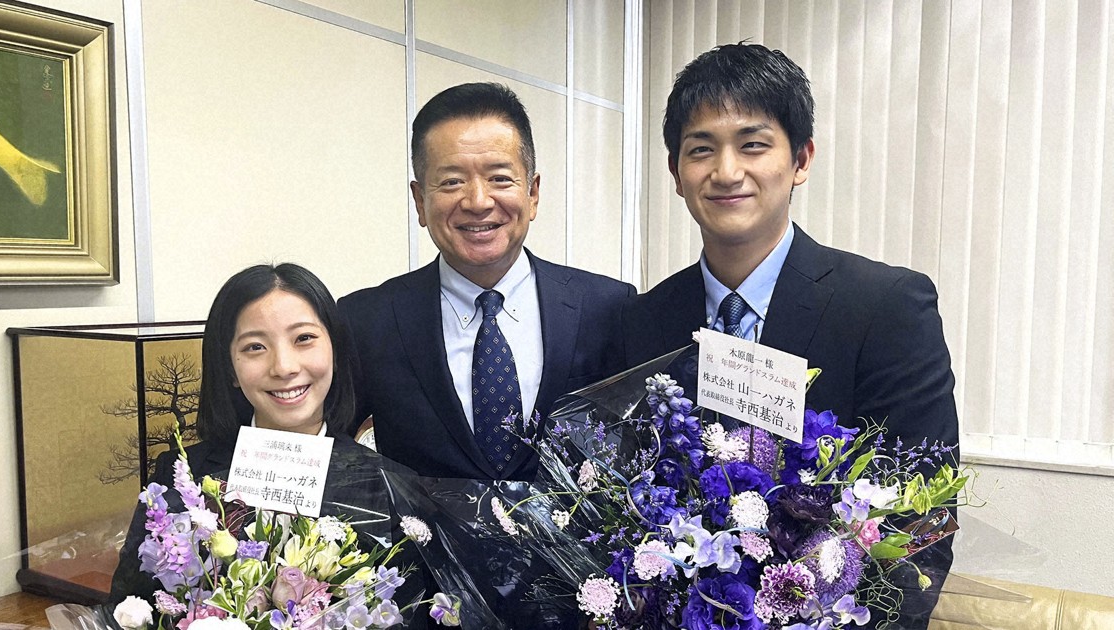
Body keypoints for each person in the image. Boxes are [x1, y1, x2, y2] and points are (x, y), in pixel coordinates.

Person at [620, 43, 959, 628]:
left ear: (801, 159)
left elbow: (922, 529)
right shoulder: (643, 320)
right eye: (701, 149)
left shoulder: (885, 307)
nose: (727, 172)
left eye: (753, 145)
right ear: (676, 173)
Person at [339, 82, 635, 482]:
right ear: (420, 201)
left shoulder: (609, 308)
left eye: (499, 178)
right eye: (451, 182)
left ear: (532, 193)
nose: (478, 201)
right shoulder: (364, 321)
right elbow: (327, 448)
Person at [108, 263, 395, 605]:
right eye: (255, 347)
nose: (284, 367)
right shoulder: (181, 476)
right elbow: (132, 608)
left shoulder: (387, 487)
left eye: (304, 339)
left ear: (335, 349)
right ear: (230, 368)